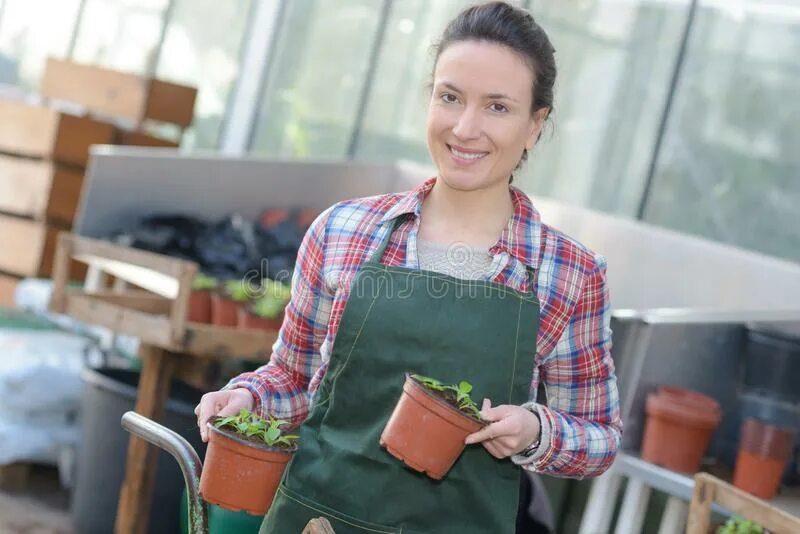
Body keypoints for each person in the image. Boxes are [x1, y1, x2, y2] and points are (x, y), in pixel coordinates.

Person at [195, 2, 622, 533]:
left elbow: (600, 438)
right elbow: (294, 376)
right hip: (317, 522)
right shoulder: (343, 230)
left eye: (497, 107)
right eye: (450, 97)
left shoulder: (569, 273)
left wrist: (535, 430)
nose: (465, 128)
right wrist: (247, 397)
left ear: (536, 125)